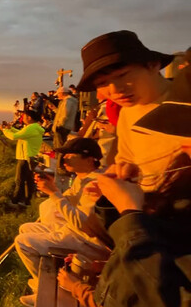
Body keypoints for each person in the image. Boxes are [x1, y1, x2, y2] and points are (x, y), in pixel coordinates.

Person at [58, 66, 191, 307]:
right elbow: (164, 254)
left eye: (185, 130)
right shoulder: (182, 182)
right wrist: (117, 198)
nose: (180, 144)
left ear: (152, 65)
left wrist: (130, 214)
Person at [15, 137, 112, 307]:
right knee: (26, 228)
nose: (64, 158)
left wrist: (54, 193)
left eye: (69, 155)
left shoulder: (96, 184)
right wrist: (54, 188)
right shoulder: (83, 177)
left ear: (90, 159)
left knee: (23, 243)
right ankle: (46, 282)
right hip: (76, 234)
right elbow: (72, 200)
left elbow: (82, 224)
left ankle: (47, 294)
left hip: (91, 244)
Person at [76, 30, 177, 192]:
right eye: (102, 83)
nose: (115, 90)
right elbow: (125, 159)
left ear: (153, 65)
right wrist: (118, 177)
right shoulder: (127, 113)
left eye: (122, 75)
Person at [0, 109, 45, 206]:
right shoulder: (33, 127)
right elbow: (21, 134)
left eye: (24, 116)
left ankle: (16, 201)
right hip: (30, 156)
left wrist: (5, 130)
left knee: (19, 180)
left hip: (25, 157)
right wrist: (10, 128)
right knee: (29, 180)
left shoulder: (31, 128)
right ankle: (28, 201)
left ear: (29, 118)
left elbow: (14, 136)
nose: (22, 118)